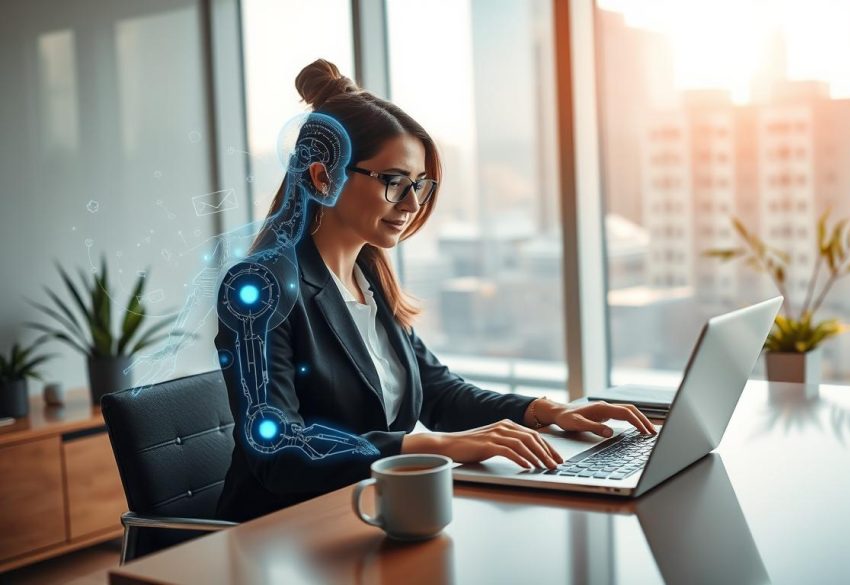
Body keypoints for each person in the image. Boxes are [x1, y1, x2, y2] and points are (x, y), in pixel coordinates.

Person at [215, 59, 656, 522]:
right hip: (280, 533)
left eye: (419, 185)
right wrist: (427, 445)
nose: (410, 204)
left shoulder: (369, 279)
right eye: (393, 182)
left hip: (370, 513)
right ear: (324, 177)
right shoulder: (259, 287)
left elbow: (438, 393)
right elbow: (276, 449)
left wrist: (546, 411)